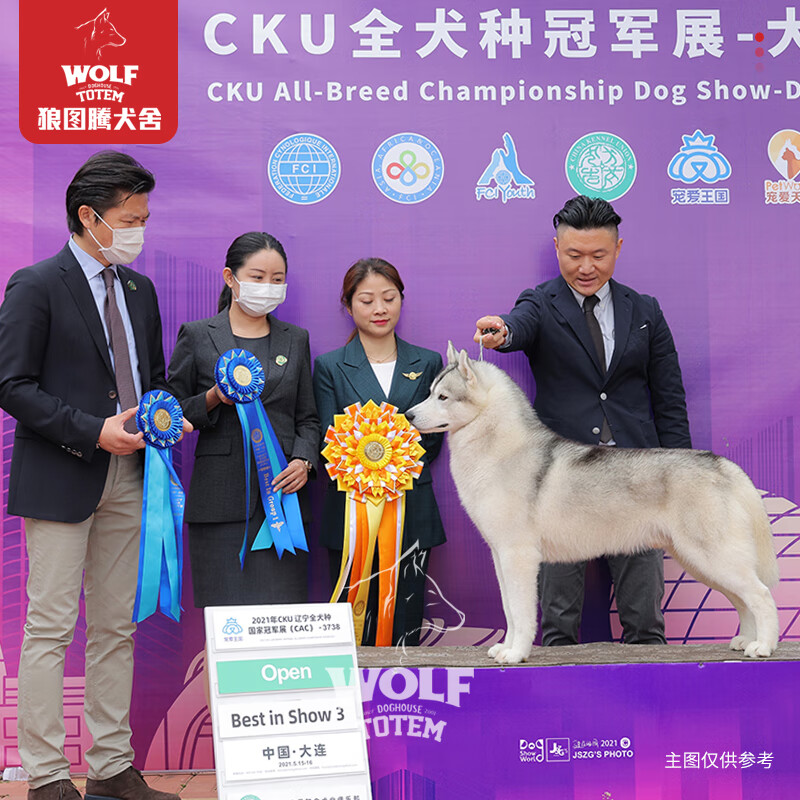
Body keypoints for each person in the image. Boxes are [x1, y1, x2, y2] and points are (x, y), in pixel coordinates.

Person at [0, 152, 184, 800]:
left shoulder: (140, 289)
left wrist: (169, 418)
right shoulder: (36, 284)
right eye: (129, 219)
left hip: (133, 478)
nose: (139, 230)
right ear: (89, 216)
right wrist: (90, 429)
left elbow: (154, 381)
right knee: (50, 629)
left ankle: (110, 768)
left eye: (144, 218)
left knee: (116, 627)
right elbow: (11, 385)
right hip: (63, 475)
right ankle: (47, 776)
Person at [475, 195, 691, 647]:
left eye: (598, 254)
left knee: (645, 618)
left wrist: (681, 469)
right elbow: (519, 325)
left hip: (638, 477)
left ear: (618, 248)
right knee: (557, 620)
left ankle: (651, 702)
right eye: (574, 255)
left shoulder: (645, 310)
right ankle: (557, 705)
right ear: (557, 248)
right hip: (561, 484)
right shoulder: (540, 302)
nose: (586, 266)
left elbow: (668, 398)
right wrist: (503, 331)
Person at [168, 232, 319, 607]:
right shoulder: (199, 335)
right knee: (226, 625)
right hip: (220, 504)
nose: (268, 287)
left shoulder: (296, 339)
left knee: (281, 623)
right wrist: (214, 397)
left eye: (277, 279)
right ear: (229, 277)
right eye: (257, 277)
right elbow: (169, 412)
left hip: (282, 505)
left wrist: (305, 460)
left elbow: (309, 417)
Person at [313, 258, 446, 646]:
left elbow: (433, 437)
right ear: (348, 305)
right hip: (350, 516)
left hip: (413, 511)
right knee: (350, 623)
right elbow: (327, 437)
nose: (379, 309)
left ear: (401, 300)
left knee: (405, 619)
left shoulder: (428, 362)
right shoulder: (330, 367)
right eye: (367, 300)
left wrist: (395, 465)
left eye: (389, 298)